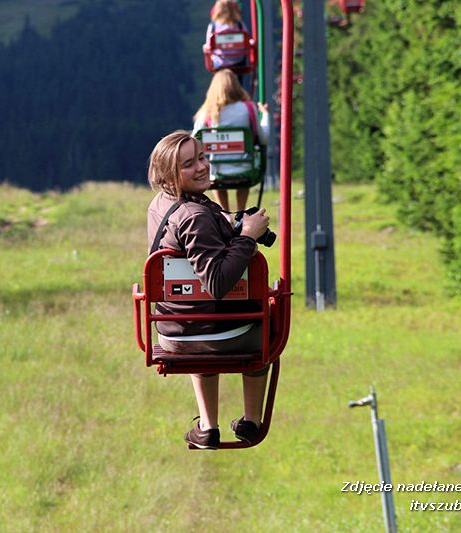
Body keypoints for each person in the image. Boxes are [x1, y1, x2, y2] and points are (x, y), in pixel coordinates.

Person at [147, 129, 271, 450]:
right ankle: (252, 421)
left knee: (200, 312)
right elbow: (216, 282)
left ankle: (207, 426)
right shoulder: (196, 216)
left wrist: (233, 225)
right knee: (267, 322)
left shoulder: (161, 204)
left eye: (202, 157)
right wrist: (248, 238)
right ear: (169, 175)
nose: (202, 167)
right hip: (213, 336)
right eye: (189, 164)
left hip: (173, 330)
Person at [192, 69, 270, 214]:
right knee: (242, 167)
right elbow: (263, 138)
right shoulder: (248, 108)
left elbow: (195, 137)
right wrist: (265, 115)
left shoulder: (208, 112)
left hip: (216, 170)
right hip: (245, 168)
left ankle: (225, 213)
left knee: (216, 171)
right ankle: (241, 211)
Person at [204, 0, 250, 80]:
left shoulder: (213, 27)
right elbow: (247, 40)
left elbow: (208, 45)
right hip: (238, 62)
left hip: (220, 63)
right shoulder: (239, 25)